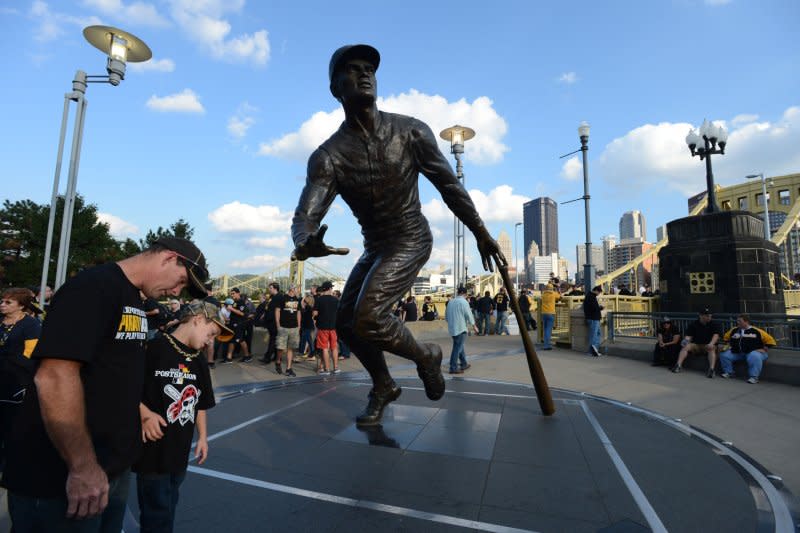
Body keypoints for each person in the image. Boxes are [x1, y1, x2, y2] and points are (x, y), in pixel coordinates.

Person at [291, 44, 505, 426]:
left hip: (411, 237)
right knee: (346, 324)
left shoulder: (410, 131)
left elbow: (449, 185)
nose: (365, 74)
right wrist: (305, 241)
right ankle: (386, 384)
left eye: (369, 68)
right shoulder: (329, 155)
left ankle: (427, 356)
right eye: (353, 69)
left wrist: (481, 233)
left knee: (369, 317)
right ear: (335, 88)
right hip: (376, 247)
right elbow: (306, 214)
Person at [1, 237, 208, 532]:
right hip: (62, 476)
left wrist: (141, 412)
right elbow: (54, 376)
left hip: (110, 469)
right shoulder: (94, 287)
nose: (177, 291)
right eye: (181, 281)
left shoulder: (134, 297)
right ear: (168, 258)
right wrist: (82, 467)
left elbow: (112, 374)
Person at [134, 301, 232, 532]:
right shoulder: (154, 348)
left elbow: (201, 403)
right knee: (156, 513)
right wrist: (144, 415)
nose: (211, 341)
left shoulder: (198, 360)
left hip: (180, 450)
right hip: (153, 451)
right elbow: (127, 387)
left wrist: (204, 437)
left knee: (169, 506)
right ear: (198, 319)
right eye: (210, 333)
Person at [0, 288, 42, 470]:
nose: (2, 304)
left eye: (8, 302)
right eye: (2, 301)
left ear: (21, 306)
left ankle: (9, 466)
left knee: (11, 427)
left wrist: (8, 358)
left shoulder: (31, 325)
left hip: (16, 382)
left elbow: (30, 357)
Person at [719, 314, 775, 384]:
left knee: (754, 356)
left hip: (753, 353)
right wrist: (728, 345)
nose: (737, 322)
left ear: (746, 322)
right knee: (724, 354)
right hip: (738, 353)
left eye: (740, 321)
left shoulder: (757, 331)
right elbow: (726, 337)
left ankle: (754, 377)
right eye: (737, 321)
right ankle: (729, 372)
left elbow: (771, 341)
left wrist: (765, 348)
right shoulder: (734, 330)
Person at [673, 308, 721, 378]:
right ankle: (678, 365)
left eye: (710, 315)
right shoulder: (694, 324)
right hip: (696, 345)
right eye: (707, 315)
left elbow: (716, 335)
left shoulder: (714, 324)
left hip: (707, 345)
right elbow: (689, 336)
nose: (709, 317)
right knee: (686, 346)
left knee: (712, 348)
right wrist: (685, 341)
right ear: (701, 316)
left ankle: (711, 369)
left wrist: (711, 343)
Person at [445, 286, 477, 374]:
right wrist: (474, 326)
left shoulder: (450, 302)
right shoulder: (464, 302)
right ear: (464, 294)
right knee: (457, 348)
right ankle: (453, 367)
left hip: (452, 328)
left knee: (459, 346)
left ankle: (464, 363)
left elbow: (446, 317)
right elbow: (469, 315)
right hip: (461, 328)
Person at [313, 281, 340, 375]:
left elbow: (315, 313)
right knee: (334, 347)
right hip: (333, 327)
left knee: (324, 348)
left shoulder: (319, 299)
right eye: (331, 288)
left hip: (322, 327)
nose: (332, 289)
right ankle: (336, 368)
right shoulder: (336, 300)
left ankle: (327, 369)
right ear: (329, 289)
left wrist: (316, 316)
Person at [274, 286, 301, 377]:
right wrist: (278, 324)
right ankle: (278, 361)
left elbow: (298, 312)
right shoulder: (282, 298)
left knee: (291, 348)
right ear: (291, 289)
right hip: (283, 326)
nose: (298, 290)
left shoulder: (298, 299)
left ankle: (289, 368)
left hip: (294, 327)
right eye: (296, 288)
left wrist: (299, 325)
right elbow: (277, 310)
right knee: (280, 348)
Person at [256, 283, 280, 364]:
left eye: (270, 288)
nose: (269, 289)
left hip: (274, 322)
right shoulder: (271, 297)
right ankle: (276, 357)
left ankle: (267, 358)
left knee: (273, 340)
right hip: (269, 321)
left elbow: (279, 311)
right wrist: (264, 315)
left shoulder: (279, 297)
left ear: (275, 288)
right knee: (274, 340)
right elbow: (267, 307)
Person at [583, 285, 603, 357]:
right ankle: (592, 351)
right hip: (593, 318)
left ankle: (594, 350)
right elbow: (594, 308)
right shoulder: (591, 297)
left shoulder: (589, 296)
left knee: (597, 334)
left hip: (592, 318)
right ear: (596, 291)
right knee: (594, 335)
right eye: (599, 292)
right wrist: (600, 307)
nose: (599, 294)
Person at [540, 284, 561, 350]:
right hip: (551, 313)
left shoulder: (543, 294)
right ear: (552, 288)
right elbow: (560, 297)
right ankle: (546, 345)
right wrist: (557, 291)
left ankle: (545, 344)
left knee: (545, 329)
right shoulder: (553, 293)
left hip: (543, 313)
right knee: (548, 330)